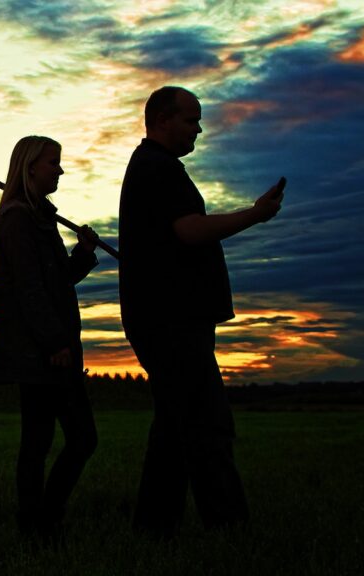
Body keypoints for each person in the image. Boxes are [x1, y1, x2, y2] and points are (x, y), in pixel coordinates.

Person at [118, 86, 285, 537]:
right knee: (208, 424)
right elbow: (191, 231)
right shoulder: (158, 168)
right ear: (162, 119)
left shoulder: (154, 167)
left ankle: (153, 530)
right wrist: (254, 215)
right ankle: (229, 529)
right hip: (170, 321)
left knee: (175, 426)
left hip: (165, 317)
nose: (199, 128)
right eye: (192, 119)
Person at [0, 136, 100, 538]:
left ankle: (37, 522)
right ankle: (41, 521)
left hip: (46, 348)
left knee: (44, 440)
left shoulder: (38, 216)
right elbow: (29, 289)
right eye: (54, 162)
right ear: (31, 166)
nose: (60, 170)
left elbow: (56, 282)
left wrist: (83, 254)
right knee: (74, 438)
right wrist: (55, 343)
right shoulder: (18, 218)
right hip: (40, 352)